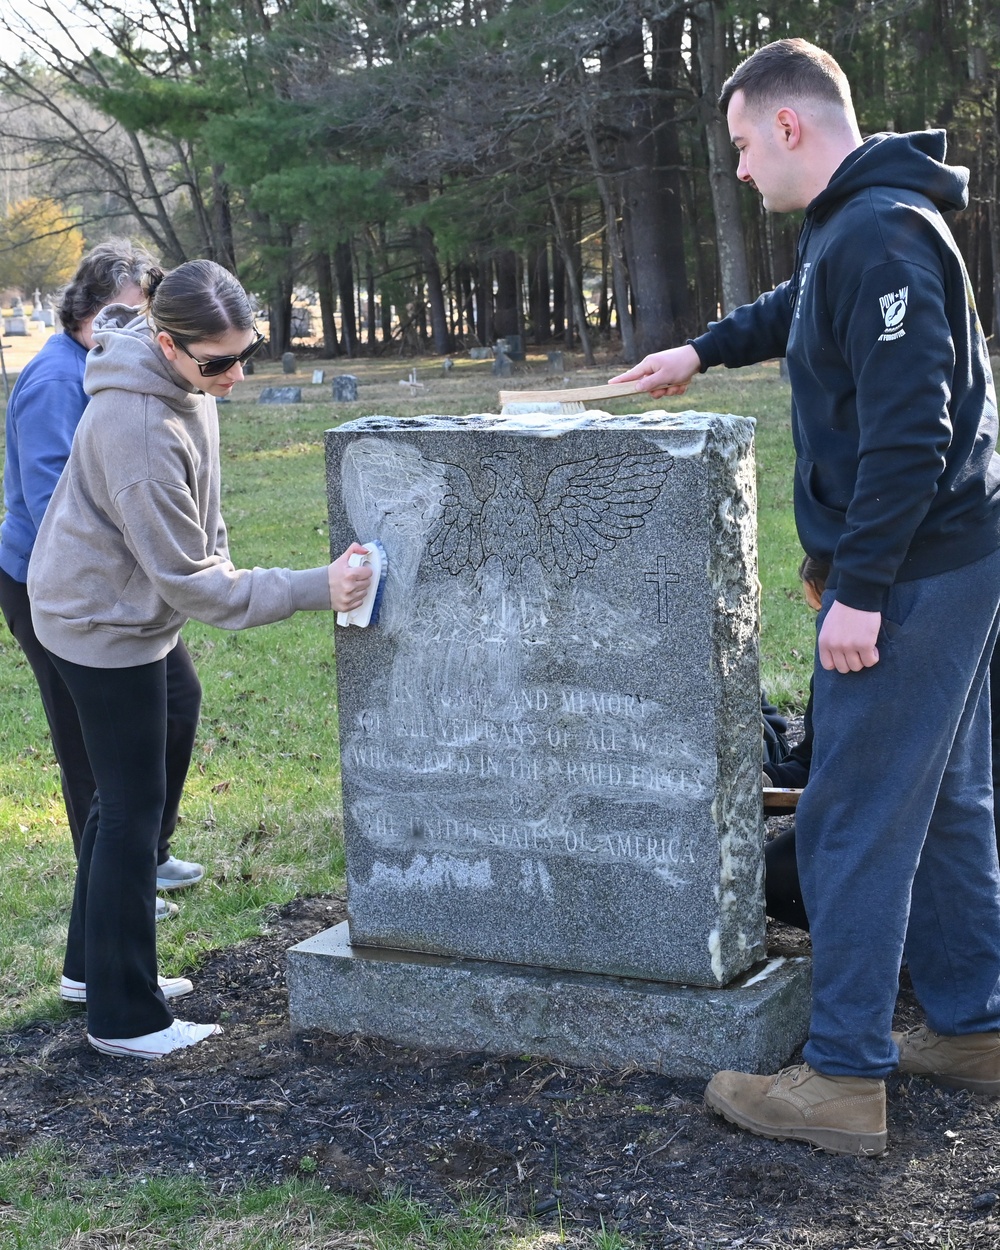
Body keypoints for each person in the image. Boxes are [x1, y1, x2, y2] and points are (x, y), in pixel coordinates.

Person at [612, 38, 1000, 1155]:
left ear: (790, 125)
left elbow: (912, 432)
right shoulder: (856, 221)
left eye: (743, 143)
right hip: (956, 556)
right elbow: (804, 303)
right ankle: (976, 1028)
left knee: (849, 818)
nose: (739, 168)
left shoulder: (880, 231)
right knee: (948, 799)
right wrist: (700, 349)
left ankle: (841, 1077)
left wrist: (860, 593)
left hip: (916, 571)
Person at [27, 259, 373, 1059]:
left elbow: (202, 527)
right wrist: (317, 587)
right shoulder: (138, 428)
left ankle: (89, 969)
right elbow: (195, 583)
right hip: (97, 620)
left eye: (245, 353)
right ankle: (126, 1019)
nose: (235, 376)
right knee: (131, 810)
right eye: (218, 363)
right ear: (166, 344)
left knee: (142, 772)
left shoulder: (188, 389)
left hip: (129, 611)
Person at [0, 241, 204, 923]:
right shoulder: (56, 380)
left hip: (120, 587)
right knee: (91, 748)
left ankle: (147, 853)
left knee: (178, 700)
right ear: (89, 310)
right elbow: (49, 503)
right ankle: (118, 886)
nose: (146, 329)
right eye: (132, 313)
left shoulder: (115, 369)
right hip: (55, 589)